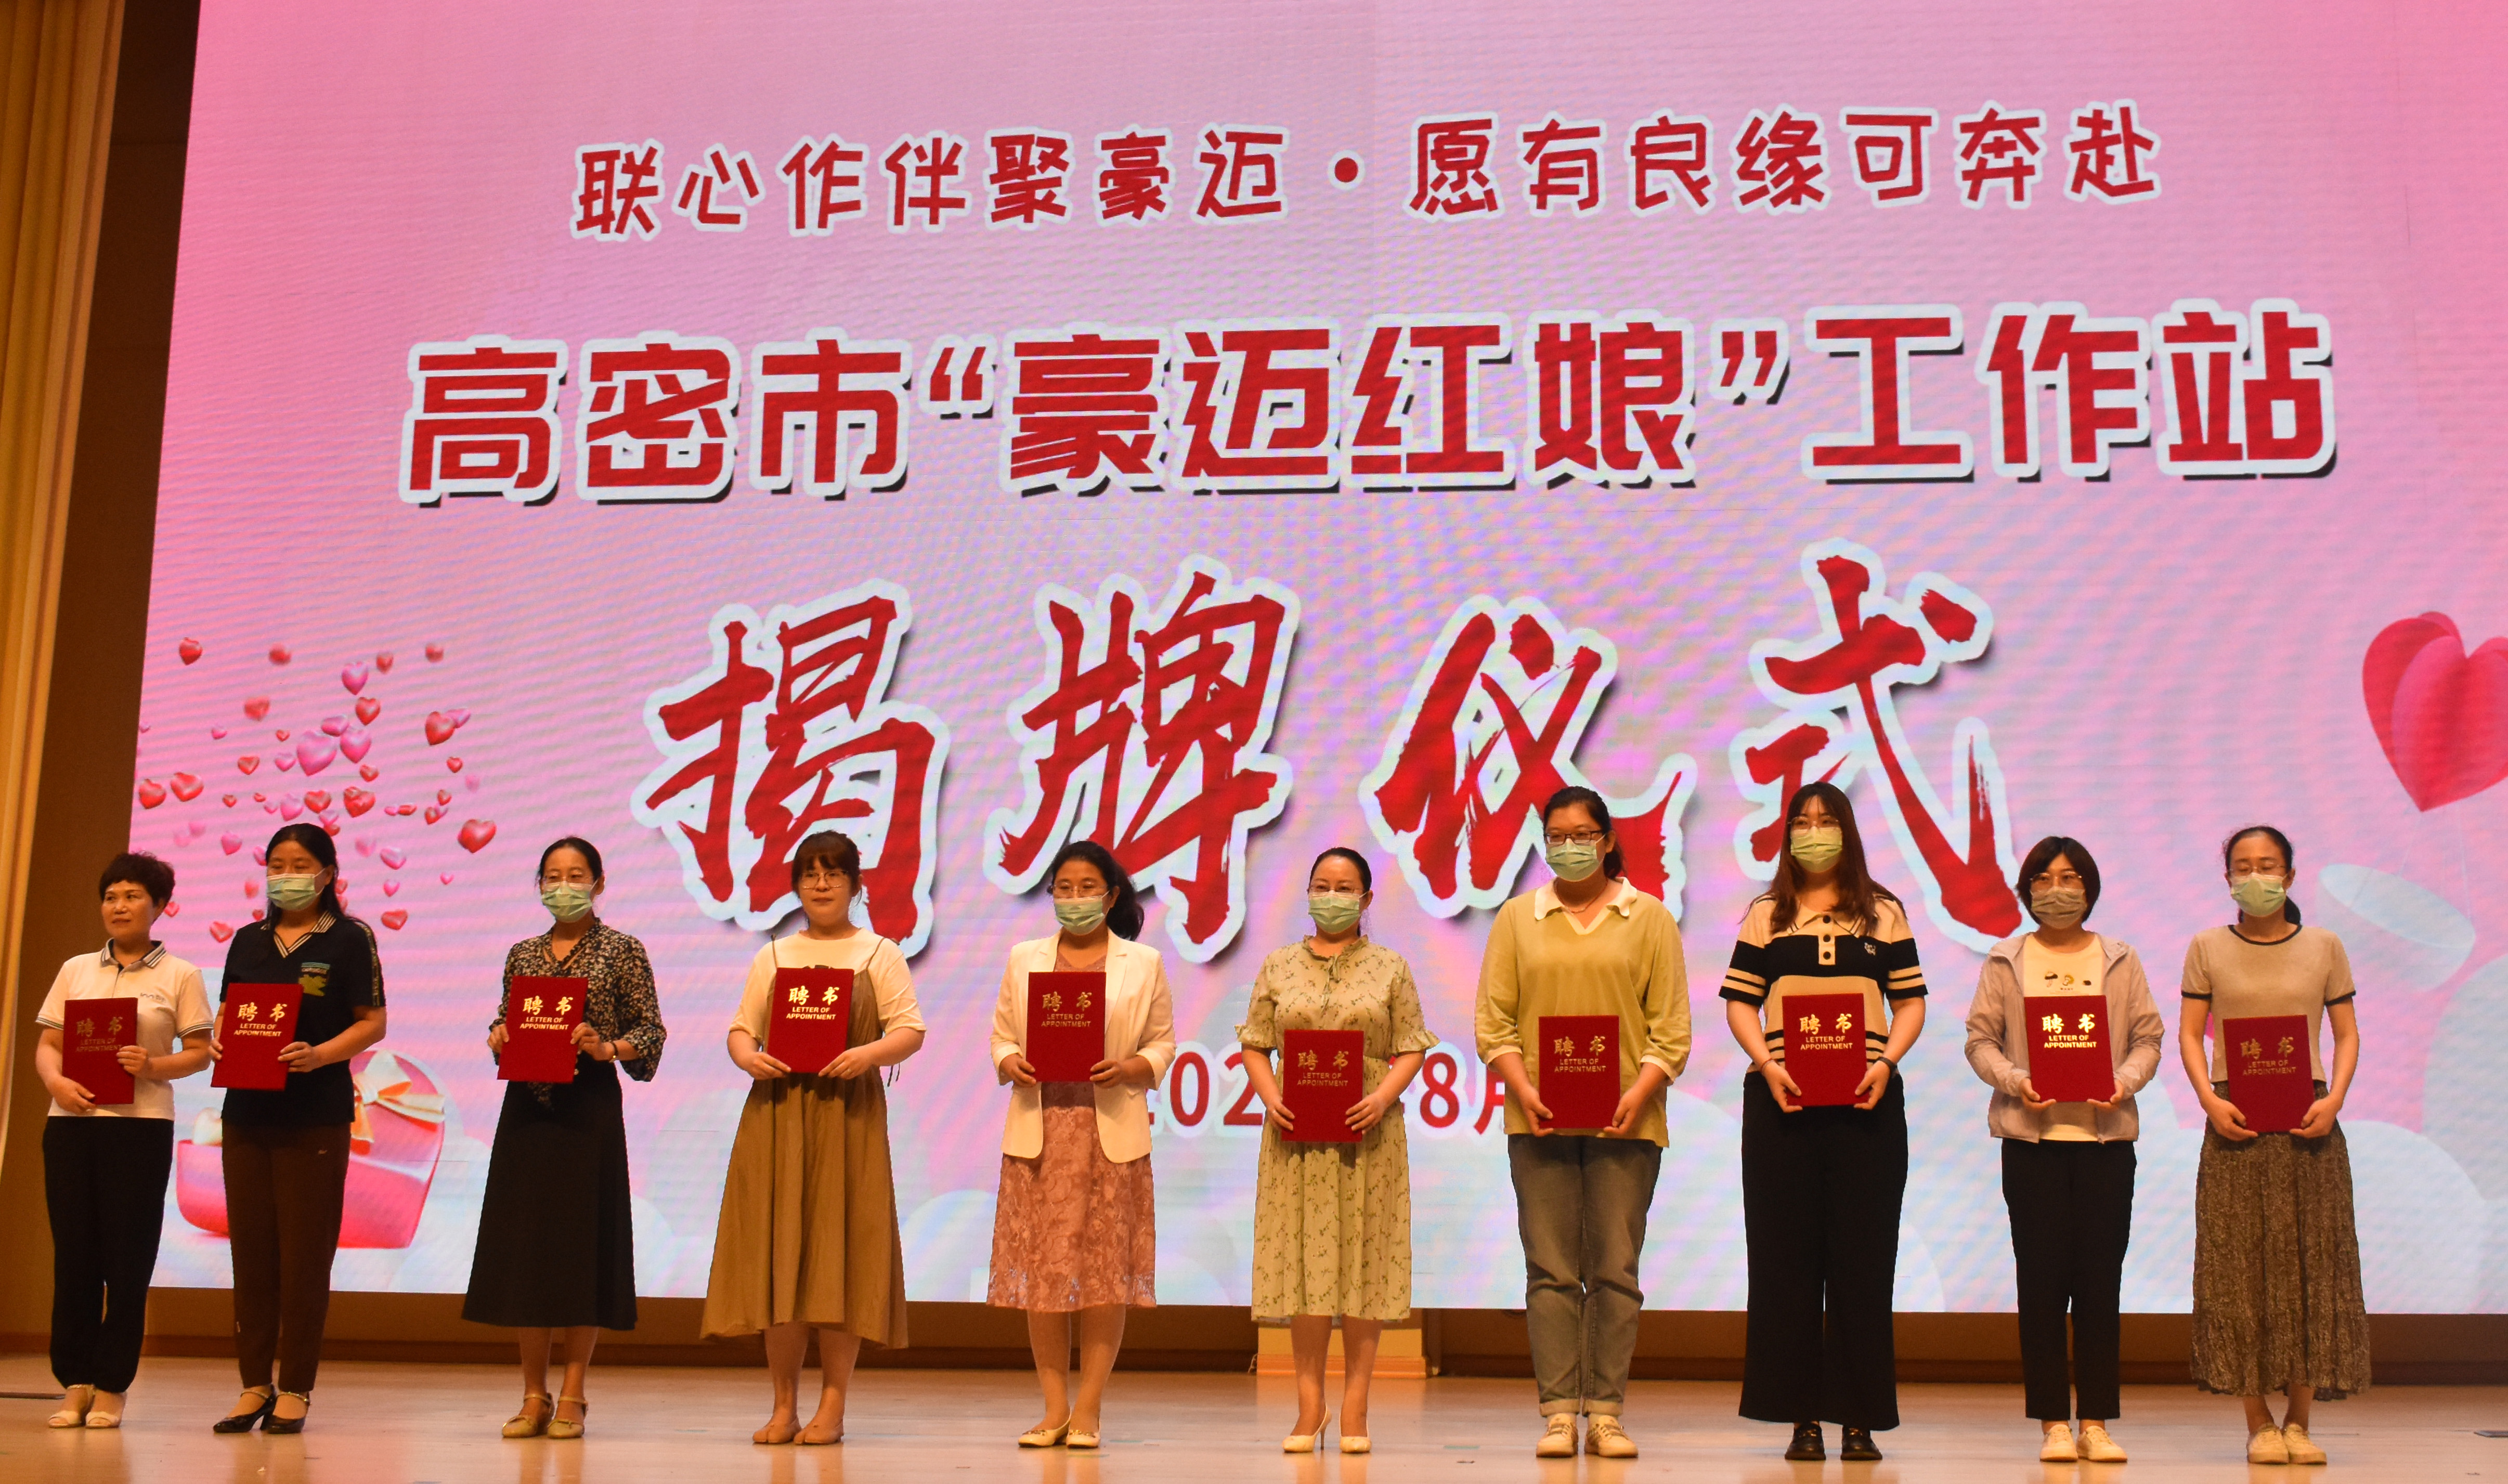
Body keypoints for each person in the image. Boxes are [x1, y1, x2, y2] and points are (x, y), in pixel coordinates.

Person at [1475, 786, 1691, 1461]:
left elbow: (1671, 1029)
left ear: (1606, 840)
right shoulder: (1518, 917)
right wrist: (1522, 1088)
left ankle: (1605, 1411)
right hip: (1537, 1120)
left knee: (1615, 1270)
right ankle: (1557, 1413)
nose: (1569, 846)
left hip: (1628, 1121)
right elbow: (1492, 1023)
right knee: (1549, 1270)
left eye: (1582, 834)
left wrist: (1638, 1091)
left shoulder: (1648, 917)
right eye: (1557, 836)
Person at [1720, 782, 1925, 1463]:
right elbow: (1741, 1002)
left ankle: (1858, 1419)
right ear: (1786, 835)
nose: (1813, 831)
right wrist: (1765, 1063)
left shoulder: (1882, 913)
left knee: (1863, 1264)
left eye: (1826, 819)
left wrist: (1886, 1061)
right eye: (1801, 821)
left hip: (1866, 1107)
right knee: (1786, 1265)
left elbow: (1909, 1002)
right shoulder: (1766, 914)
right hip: (1781, 1107)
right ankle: (1801, 1417)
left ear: (1847, 831)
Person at [701, 830, 924, 1445]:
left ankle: (833, 1404)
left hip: (847, 1118)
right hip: (778, 1116)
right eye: (809, 873)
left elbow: (909, 1030)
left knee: (838, 1258)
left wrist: (867, 1055)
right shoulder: (774, 955)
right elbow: (741, 1029)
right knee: (780, 1261)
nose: (820, 884)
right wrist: (747, 1057)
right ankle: (783, 1406)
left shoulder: (879, 953)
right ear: (796, 885)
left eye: (833, 873)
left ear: (856, 884)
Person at [1963, 836, 2165, 1464]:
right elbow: (1979, 1040)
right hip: (2032, 1143)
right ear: (2026, 890)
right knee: (2041, 1284)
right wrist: (2014, 1080)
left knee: (2100, 1284)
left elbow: (2147, 1038)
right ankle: (2053, 1421)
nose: (2057, 890)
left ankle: (2095, 1422)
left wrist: (2123, 1082)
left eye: (2070, 878)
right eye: (2044, 879)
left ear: (2089, 888)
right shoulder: (2006, 959)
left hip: (2105, 1142)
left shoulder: (2118, 958)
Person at [463, 837, 667, 1440]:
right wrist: (499, 1034)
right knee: (528, 1249)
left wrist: (606, 1046)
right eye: (552, 876)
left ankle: (574, 1393)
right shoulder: (522, 953)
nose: (564, 886)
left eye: (576, 875)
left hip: (588, 1112)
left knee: (582, 1249)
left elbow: (650, 1032)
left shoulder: (622, 949)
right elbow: (507, 1017)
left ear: (599, 883)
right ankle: (533, 1394)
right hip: (527, 1110)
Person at [2179, 824, 2369, 1465]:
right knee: (2239, 1269)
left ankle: (2299, 1421)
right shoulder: (2206, 946)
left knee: (2312, 1266)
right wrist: (2208, 1099)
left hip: (2307, 1121)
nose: (2254, 876)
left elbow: (2345, 1033)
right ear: (2226, 877)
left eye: (2267, 865)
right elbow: (2189, 1033)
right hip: (2233, 1119)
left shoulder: (2324, 945)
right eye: (2242, 866)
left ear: (2288, 876)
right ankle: (2257, 1420)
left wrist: (2333, 1098)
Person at [1237, 847, 1435, 1454]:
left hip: (1367, 1134)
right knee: (1303, 1267)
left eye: (1344, 887)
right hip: (1295, 1135)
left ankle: (1355, 1406)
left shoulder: (1391, 967)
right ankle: (1308, 1406)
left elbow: (1411, 1045)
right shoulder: (1277, 964)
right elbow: (1255, 1043)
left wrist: (1382, 1098)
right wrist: (1271, 1097)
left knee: (1362, 1266)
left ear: (1366, 898)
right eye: (1321, 885)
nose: (1331, 896)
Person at [987, 840, 1175, 1450]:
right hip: (1040, 1134)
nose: (1074, 899)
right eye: (1063, 888)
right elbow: (1002, 1036)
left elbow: (1161, 1044)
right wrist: (1010, 1061)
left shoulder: (1142, 962)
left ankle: (1089, 1407)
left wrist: (1131, 1067)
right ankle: (1052, 1409)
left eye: (1087, 887)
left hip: (1108, 1133)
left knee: (1103, 1278)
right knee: (1042, 1276)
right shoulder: (1024, 958)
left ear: (1111, 895)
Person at [211, 823, 387, 1435]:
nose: (286, 875)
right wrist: (221, 1040)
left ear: (328, 874)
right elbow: (229, 1011)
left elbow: (372, 1022)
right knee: (251, 1254)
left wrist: (319, 1054)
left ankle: (295, 1387)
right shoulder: (248, 940)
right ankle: (253, 1383)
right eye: (276, 865)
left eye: (300, 864)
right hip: (246, 1115)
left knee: (305, 1258)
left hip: (315, 1115)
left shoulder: (349, 938)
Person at [34, 851, 214, 1429]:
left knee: (128, 1260)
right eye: (111, 896)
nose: (119, 906)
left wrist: (153, 1065)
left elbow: (200, 1052)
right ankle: (75, 1382)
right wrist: (57, 1083)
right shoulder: (76, 969)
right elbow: (48, 1045)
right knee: (75, 1259)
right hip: (71, 1125)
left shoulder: (180, 974)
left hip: (139, 1129)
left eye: (133, 895)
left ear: (159, 906)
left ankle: (113, 1385)